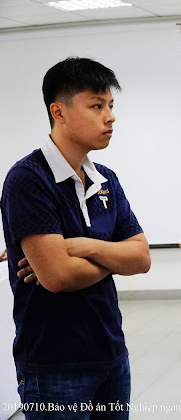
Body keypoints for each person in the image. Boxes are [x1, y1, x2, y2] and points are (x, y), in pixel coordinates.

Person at [0, 57, 151, 419]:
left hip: (111, 353)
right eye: (97, 106)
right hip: (55, 366)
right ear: (59, 112)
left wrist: (86, 247)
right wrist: (113, 258)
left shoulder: (105, 179)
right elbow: (58, 276)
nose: (110, 117)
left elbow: (142, 258)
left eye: (110, 106)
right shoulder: (28, 179)